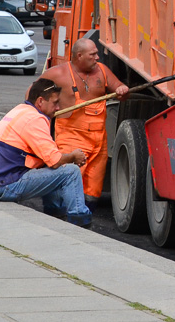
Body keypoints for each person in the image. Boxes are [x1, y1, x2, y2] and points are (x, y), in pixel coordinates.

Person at [0, 77, 92, 227]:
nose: (58, 108)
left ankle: (56, 214)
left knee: (54, 169)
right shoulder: (35, 119)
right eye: (55, 103)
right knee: (70, 171)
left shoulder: (21, 110)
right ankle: (80, 220)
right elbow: (55, 160)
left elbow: (49, 159)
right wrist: (73, 156)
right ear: (40, 102)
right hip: (4, 186)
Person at [40, 38, 129, 204]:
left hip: (99, 143)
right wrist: (44, 114)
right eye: (92, 54)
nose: (97, 58)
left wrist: (122, 90)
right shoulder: (59, 73)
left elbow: (120, 89)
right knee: (67, 183)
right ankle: (59, 217)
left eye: (96, 53)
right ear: (79, 56)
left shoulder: (102, 71)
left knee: (92, 191)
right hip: (71, 138)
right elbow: (32, 95)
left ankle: (82, 221)